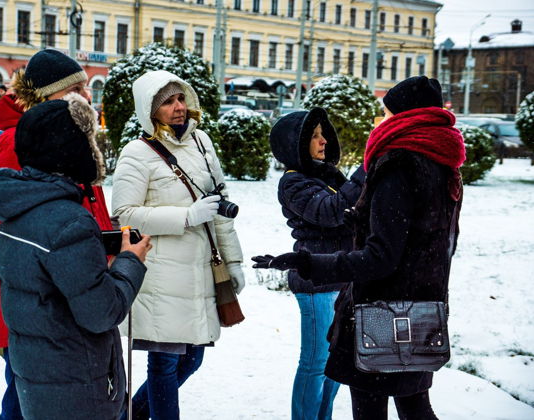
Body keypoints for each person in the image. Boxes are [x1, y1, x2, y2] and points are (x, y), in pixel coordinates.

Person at [253, 76, 466, 420]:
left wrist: (308, 263)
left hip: (381, 310)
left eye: (384, 114)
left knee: (381, 406)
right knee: (413, 406)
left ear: (404, 118)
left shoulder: (397, 165)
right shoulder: (442, 163)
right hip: (420, 306)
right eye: (314, 136)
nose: (378, 122)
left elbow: (379, 254)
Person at [0, 92, 152, 419]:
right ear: (71, 151)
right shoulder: (69, 223)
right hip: (77, 386)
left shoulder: (15, 209)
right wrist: (131, 259)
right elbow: (101, 312)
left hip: (37, 379)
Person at [0, 50, 114, 420]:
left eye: (85, 88)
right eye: (76, 89)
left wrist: (106, 238)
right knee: (26, 400)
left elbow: (85, 205)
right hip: (38, 303)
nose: (86, 96)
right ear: (48, 96)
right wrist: (60, 260)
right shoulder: (17, 140)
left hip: (75, 292)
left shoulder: (70, 136)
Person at [110, 70, 245, 419]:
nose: (179, 106)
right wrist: (185, 216)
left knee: (193, 356)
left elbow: (219, 207)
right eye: (167, 101)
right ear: (149, 110)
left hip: (200, 273)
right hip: (161, 276)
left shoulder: (201, 143)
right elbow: (124, 214)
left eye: (181, 98)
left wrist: (233, 264)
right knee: (166, 360)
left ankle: (132, 413)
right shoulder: (136, 153)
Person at [269, 107, 365, 420]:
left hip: (341, 278)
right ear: (294, 144)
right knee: (314, 363)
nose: (323, 141)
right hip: (315, 284)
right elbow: (331, 211)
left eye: (323, 134)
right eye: (313, 136)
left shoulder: (327, 176)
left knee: (336, 363)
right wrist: (365, 171)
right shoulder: (294, 183)